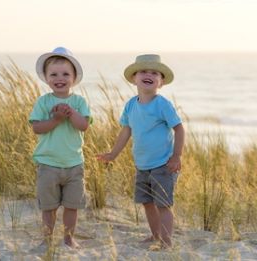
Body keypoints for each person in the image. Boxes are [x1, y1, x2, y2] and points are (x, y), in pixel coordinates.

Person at [97, 54, 184, 248]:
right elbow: (126, 130)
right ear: (134, 78)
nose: (149, 75)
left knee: (163, 204)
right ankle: (155, 235)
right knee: (147, 202)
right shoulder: (130, 105)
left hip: (163, 163)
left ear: (160, 83)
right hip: (142, 165)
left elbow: (179, 128)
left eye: (155, 73)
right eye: (144, 71)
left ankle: (166, 241)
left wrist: (176, 156)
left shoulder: (162, 104)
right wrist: (113, 153)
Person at [29, 47, 91, 249]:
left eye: (65, 74)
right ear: (46, 78)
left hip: (74, 163)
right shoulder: (43, 101)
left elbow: (84, 125)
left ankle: (68, 238)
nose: (60, 78)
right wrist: (56, 119)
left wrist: (71, 114)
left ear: (74, 77)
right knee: (49, 206)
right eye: (53, 74)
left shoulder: (79, 102)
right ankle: (47, 239)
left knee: (72, 206)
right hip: (48, 163)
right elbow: (37, 128)